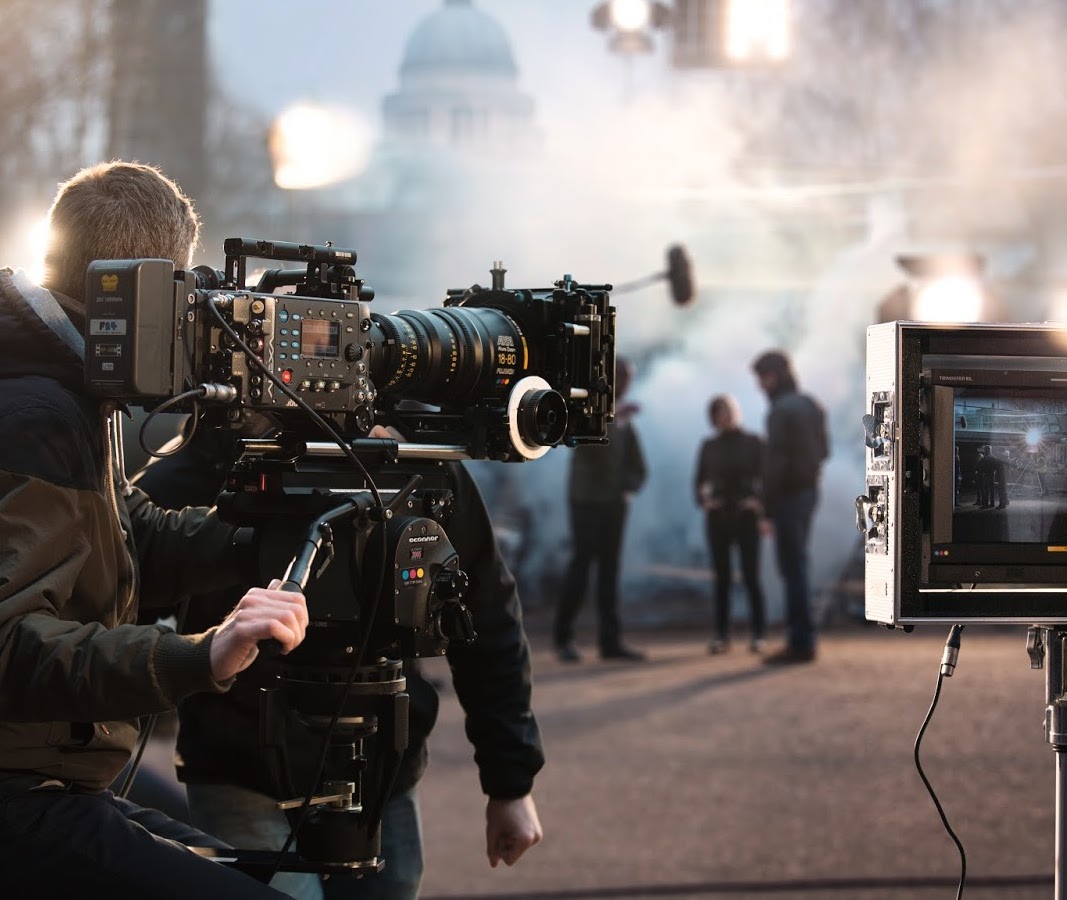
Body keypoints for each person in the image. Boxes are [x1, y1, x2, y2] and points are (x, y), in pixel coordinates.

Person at [0, 160, 311, 898]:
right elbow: (7, 645)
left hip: (45, 769)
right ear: (152, 294)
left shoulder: (58, 380)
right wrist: (196, 657)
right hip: (20, 786)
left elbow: (119, 530)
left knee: (250, 870)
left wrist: (247, 540)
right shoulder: (38, 412)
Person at [131, 397, 545, 895]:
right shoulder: (192, 473)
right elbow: (117, 614)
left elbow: (484, 615)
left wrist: (510, 783)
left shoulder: (410, 463)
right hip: (240, 772)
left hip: (381, 772)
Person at [553, 357, 648, 663]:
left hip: (613, 504)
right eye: (624, 377)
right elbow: (588, 447)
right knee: (581, 566)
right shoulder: (586, 404)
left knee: (610, 570)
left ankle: (610, 641)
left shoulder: (623, 418)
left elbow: (638, 465)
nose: (628, 384)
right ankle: (563, 638)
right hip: (587, 500)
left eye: (630, 378)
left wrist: (628, 488)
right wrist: (612, 418)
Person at [751, 350, 829, 666]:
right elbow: (825, 451)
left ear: (772, 376)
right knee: (798, 566)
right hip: (808, 492)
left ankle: (800, 641)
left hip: (787, 498)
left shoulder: (779, 411)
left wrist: (767, 510)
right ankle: (802, 638)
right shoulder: (811, 404)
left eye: (761, 378)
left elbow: (774, 467)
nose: (759, 385)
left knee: (793, 569)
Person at [693, 394, 767, 655]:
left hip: (746, 515)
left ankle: (759, 634)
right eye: (719, 411)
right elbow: (699, 480)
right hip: (718, 517)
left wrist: (759, 504)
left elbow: (767, 477)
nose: (724, 415)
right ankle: (721, 635)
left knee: (751, 577)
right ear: (713, 417)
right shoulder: (709, 445)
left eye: (728, 410)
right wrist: (705, 500)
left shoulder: (753, 442)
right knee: (721, 578)